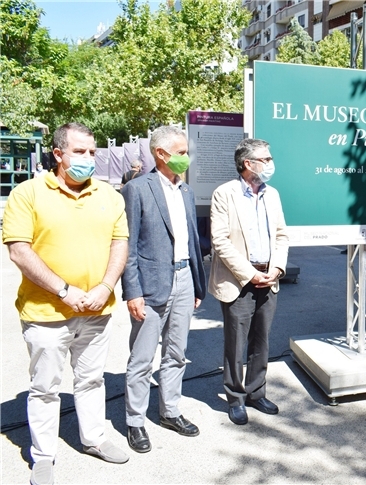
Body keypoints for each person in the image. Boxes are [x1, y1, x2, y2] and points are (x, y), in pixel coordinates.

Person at [3, 122, 130, 485]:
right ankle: (43, 456)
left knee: (91, 380)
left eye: (92, 152)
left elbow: (119, 244)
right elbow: (19, 250)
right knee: (45, 388)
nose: (88, 158)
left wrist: (106, 286)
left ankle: (93, 438)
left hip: (96, 310)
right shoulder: (27, 194)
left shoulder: (109, 196)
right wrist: (64, 291)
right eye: (79, 152)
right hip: (46, 314)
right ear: (58, 154)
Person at [121, 125, 206, 453]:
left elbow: (191, 243)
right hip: (151, 284)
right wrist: (133, 292)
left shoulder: (185, 190)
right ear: (161, 153)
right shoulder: (138, 189)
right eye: (182, 152)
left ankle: (170, 411)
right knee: (142, 358)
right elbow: (127, 244)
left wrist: (197, 284)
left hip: (184, 280)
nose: (187, 157)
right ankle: (135, 421)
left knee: (176, 353)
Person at [208, 138, 289, 425]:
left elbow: (281, 235)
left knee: (261, 340)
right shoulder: (224, 194)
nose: (270, 164)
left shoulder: (273, 194)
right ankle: (235, 397)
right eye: (265, 159)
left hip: (269, 277)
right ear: (247, 164)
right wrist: (249, 273)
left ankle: (257, 392)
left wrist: (277, 268)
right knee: (236, 342)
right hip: (238, 279)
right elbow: (219, 241)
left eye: (269, 158)